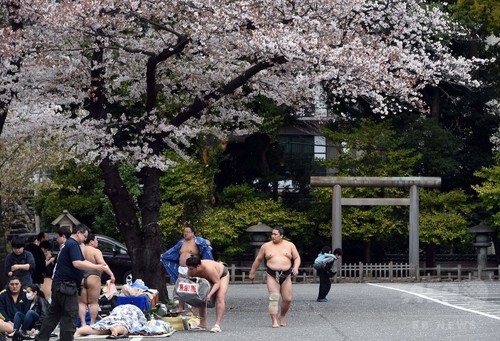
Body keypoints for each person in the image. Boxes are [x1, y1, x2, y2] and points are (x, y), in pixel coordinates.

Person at [35, 225, 107, 341]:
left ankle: (40, 339)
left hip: (59, 285)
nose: (85, 239)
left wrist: (98, 267)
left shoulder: (68, 244)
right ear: (78, 233)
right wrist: (96, 266)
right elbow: (77, 263)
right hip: (67, 287)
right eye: (84, 236)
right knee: (70, 315)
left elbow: (82, 261)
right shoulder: (73, 244)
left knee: (53, 315)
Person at [249, 226, 301, 328]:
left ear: (281, 236)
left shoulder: (290, 245)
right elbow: (258, 260)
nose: (273, 236)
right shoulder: (266, 246)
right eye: (272, 234)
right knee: (274, 298)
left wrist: (296, 267)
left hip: (285, 274)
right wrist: (252, 272)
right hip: (272, 274)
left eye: (275, 234)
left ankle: (282, 316)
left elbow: (297, 257)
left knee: (287, 299)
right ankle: (274, 321)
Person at [160, 224, 213, 312]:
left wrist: (207, 242)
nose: (185, 233)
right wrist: (164, 255)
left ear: (192, 233)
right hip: (181, 268)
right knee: (181, 287)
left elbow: (207, 244)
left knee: (193, 288)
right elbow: (173, 250)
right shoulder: (181, 242)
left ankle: (193, 308)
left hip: (193, 268)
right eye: (184, 232)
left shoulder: (198, 241)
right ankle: (181, 307)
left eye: (188, 232)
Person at [185, 255, 229, 333]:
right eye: (188, 268)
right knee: (201, 296)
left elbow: (217, 283)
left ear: (198, 266)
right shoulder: (190, 270)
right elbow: (188, 283)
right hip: (206, 279)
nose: (190, 271)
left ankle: (217, 325)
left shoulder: (209, 269)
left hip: (221, 276)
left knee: (220, 297)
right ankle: (202, 323)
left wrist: (210, 294)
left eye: (191, 269)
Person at [79, 233, 115, 326]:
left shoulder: (80, 250)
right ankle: (91, 324)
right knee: (93, 303)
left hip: (81, 277)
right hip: (94, 277)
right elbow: (103, 265)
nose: (97, 242)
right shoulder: (96, 251)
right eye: (96, 240)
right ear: (91, 242)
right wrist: (111, 275)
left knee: (82, 303)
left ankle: (83, 324)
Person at [74, 304, 148, 338]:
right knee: (124, 328)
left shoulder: (119, 307)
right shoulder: (137, 311)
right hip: (127, 318)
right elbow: (143, 324)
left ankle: (79, 331)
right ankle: (116, 330)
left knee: (95, 328)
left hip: (114, 315)